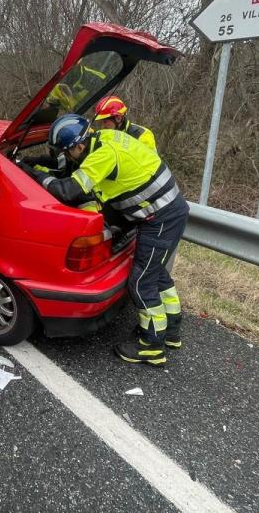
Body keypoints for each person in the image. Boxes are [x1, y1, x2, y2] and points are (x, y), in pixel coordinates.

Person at [18, 114, 188, 366]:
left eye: (67, 152)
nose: (68, 157)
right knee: (156, 273)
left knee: (141, 281)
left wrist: (31, 174)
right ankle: (170, 330)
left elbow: (67, 191)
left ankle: (151, 345)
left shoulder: (102, 156)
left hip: (160, 217)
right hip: (167, 209)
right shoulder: (106, 137)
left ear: (78, 146)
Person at [92, 95, 157, 151]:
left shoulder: (142, 135)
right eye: (101, 122)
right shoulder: (104, 135)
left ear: (118, 118)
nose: (102, 126)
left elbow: (149, 162)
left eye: (105, 121)